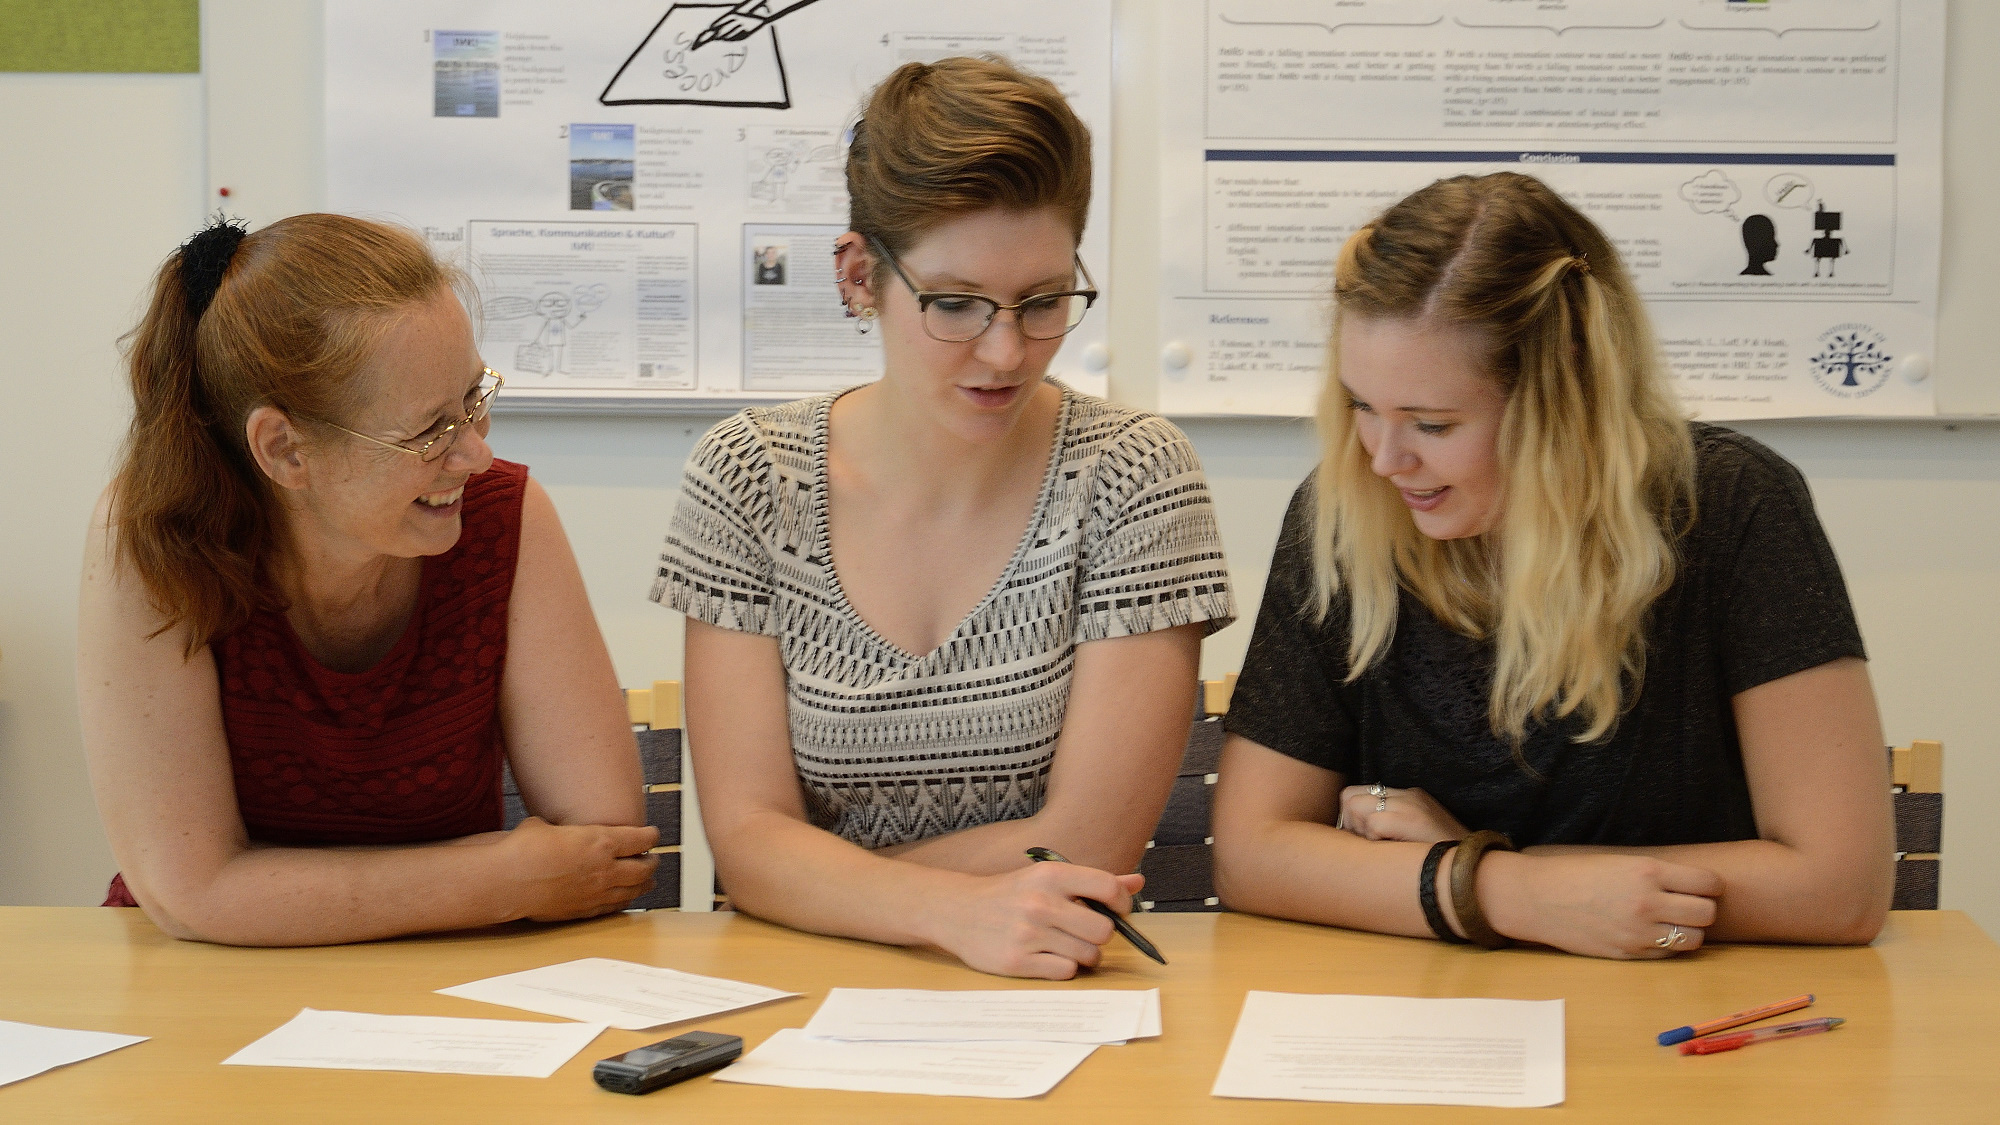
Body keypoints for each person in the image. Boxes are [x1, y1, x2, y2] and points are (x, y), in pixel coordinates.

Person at [1212, 172, 1894, 960]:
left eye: (1432, 424)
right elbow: (1250, 854)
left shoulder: (1734, 504)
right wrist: (1504, 888)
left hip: (1681, 1002)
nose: (1384, 458)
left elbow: (1840, 886)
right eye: (1362, 405)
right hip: (1430, 1003)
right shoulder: (1344, 512)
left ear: (1562, 393)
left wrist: (1488, 870)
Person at [653, 56, 1234, 979]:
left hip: (1050, 984)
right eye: (956, 304)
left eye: (1044, 302)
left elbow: (1086, 841)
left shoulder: (1135, 475)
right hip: (808, 987)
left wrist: (820, 882)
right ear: (859, 276)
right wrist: (944, 910)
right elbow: (749, 844)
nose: (1005, 351)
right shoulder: (750, 475)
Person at [79, 214, 658, 946]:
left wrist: (279, 895)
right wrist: (500, 879)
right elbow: (191, 894)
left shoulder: (504, 516)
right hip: (201, 975)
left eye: (474, 399)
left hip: (445, 973)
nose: (476, 456)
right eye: (430, 431)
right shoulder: (154, 538)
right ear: (284, 449)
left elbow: (603, 848)